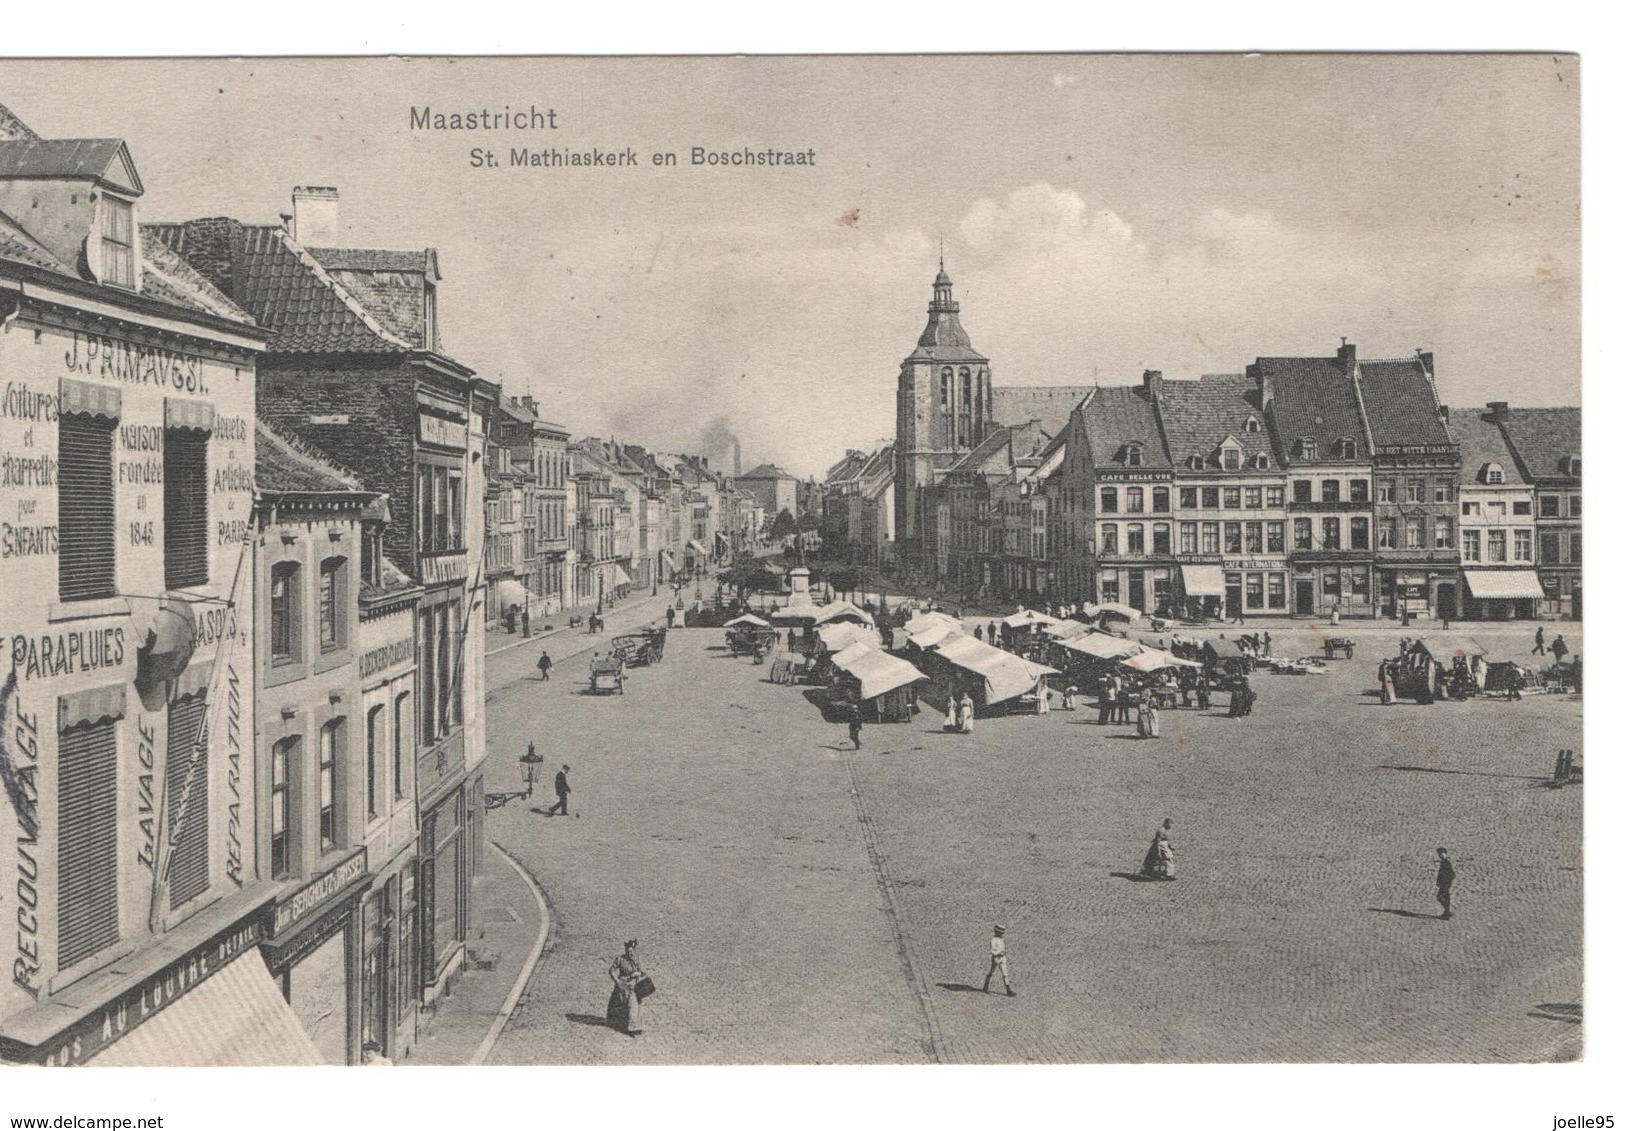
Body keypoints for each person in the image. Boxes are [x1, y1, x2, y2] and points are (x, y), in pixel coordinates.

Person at [607, 940, 647, 1035]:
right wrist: (617, 981)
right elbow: (611, 970)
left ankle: (634, 1027)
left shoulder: (637, 959)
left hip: (634, 986)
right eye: (628, 951)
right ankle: (619, 1024)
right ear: (625, 951)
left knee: (633, 1005)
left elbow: (643, 972)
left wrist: (638, 973)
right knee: (619, 1004)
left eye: (631, 951)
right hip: (622, 985)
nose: (630, 953)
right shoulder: (620, 959)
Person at [982, 924, 1015, 996]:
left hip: (1002, 958)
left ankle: (1008, 990)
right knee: (991, 973)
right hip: (996, 958)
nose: (1002, 934)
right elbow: (993, 951)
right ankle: (985, 987)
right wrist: (999, 952)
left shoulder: (1001, 940)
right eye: (1001, 932)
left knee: (1005, 974)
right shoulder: (993, 940)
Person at [1435, 847, 1455, 920]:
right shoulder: (1443, 862)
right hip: (1444, 884)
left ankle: (1447, 912)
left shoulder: (1446, 863)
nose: (1440, 855)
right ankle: (1447, 912)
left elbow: (1452, 874)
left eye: (1441, 854)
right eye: (1439, 854)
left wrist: (1446, 881)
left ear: (1445, 854)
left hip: (1445, 884)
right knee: (1444, 897)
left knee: (1440, 897)